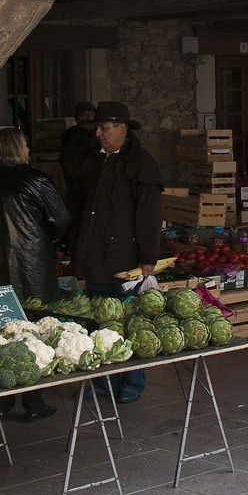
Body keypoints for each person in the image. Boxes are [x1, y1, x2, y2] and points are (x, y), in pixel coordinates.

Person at [0, 127, 70, 421]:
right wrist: (46, 240)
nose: (29, 151)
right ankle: (34, 400)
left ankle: (1, 400)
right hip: (32, 270)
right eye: (25, 145)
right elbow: (61, 220)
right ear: (16, 149)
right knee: (35, 331)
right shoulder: (36, 180)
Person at [73, 100, 164, 403]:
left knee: (128, 322)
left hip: (126, 259)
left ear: (123, 129)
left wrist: (148, 257)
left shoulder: (142, 164)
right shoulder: (90, 161)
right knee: (99, 322)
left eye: (105, 127)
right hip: (95, 254)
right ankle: (101, 382)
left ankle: (131, 384)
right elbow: (82, 208)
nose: (98, 132)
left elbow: (149, 214)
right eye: (97, 127)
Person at [59, 100, 99, 215]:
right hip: (79, 192)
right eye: (84, 115)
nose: (89, 118)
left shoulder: (99, 135)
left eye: (91, 114)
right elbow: (71, 167)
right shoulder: (71, 139)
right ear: (77, 119)